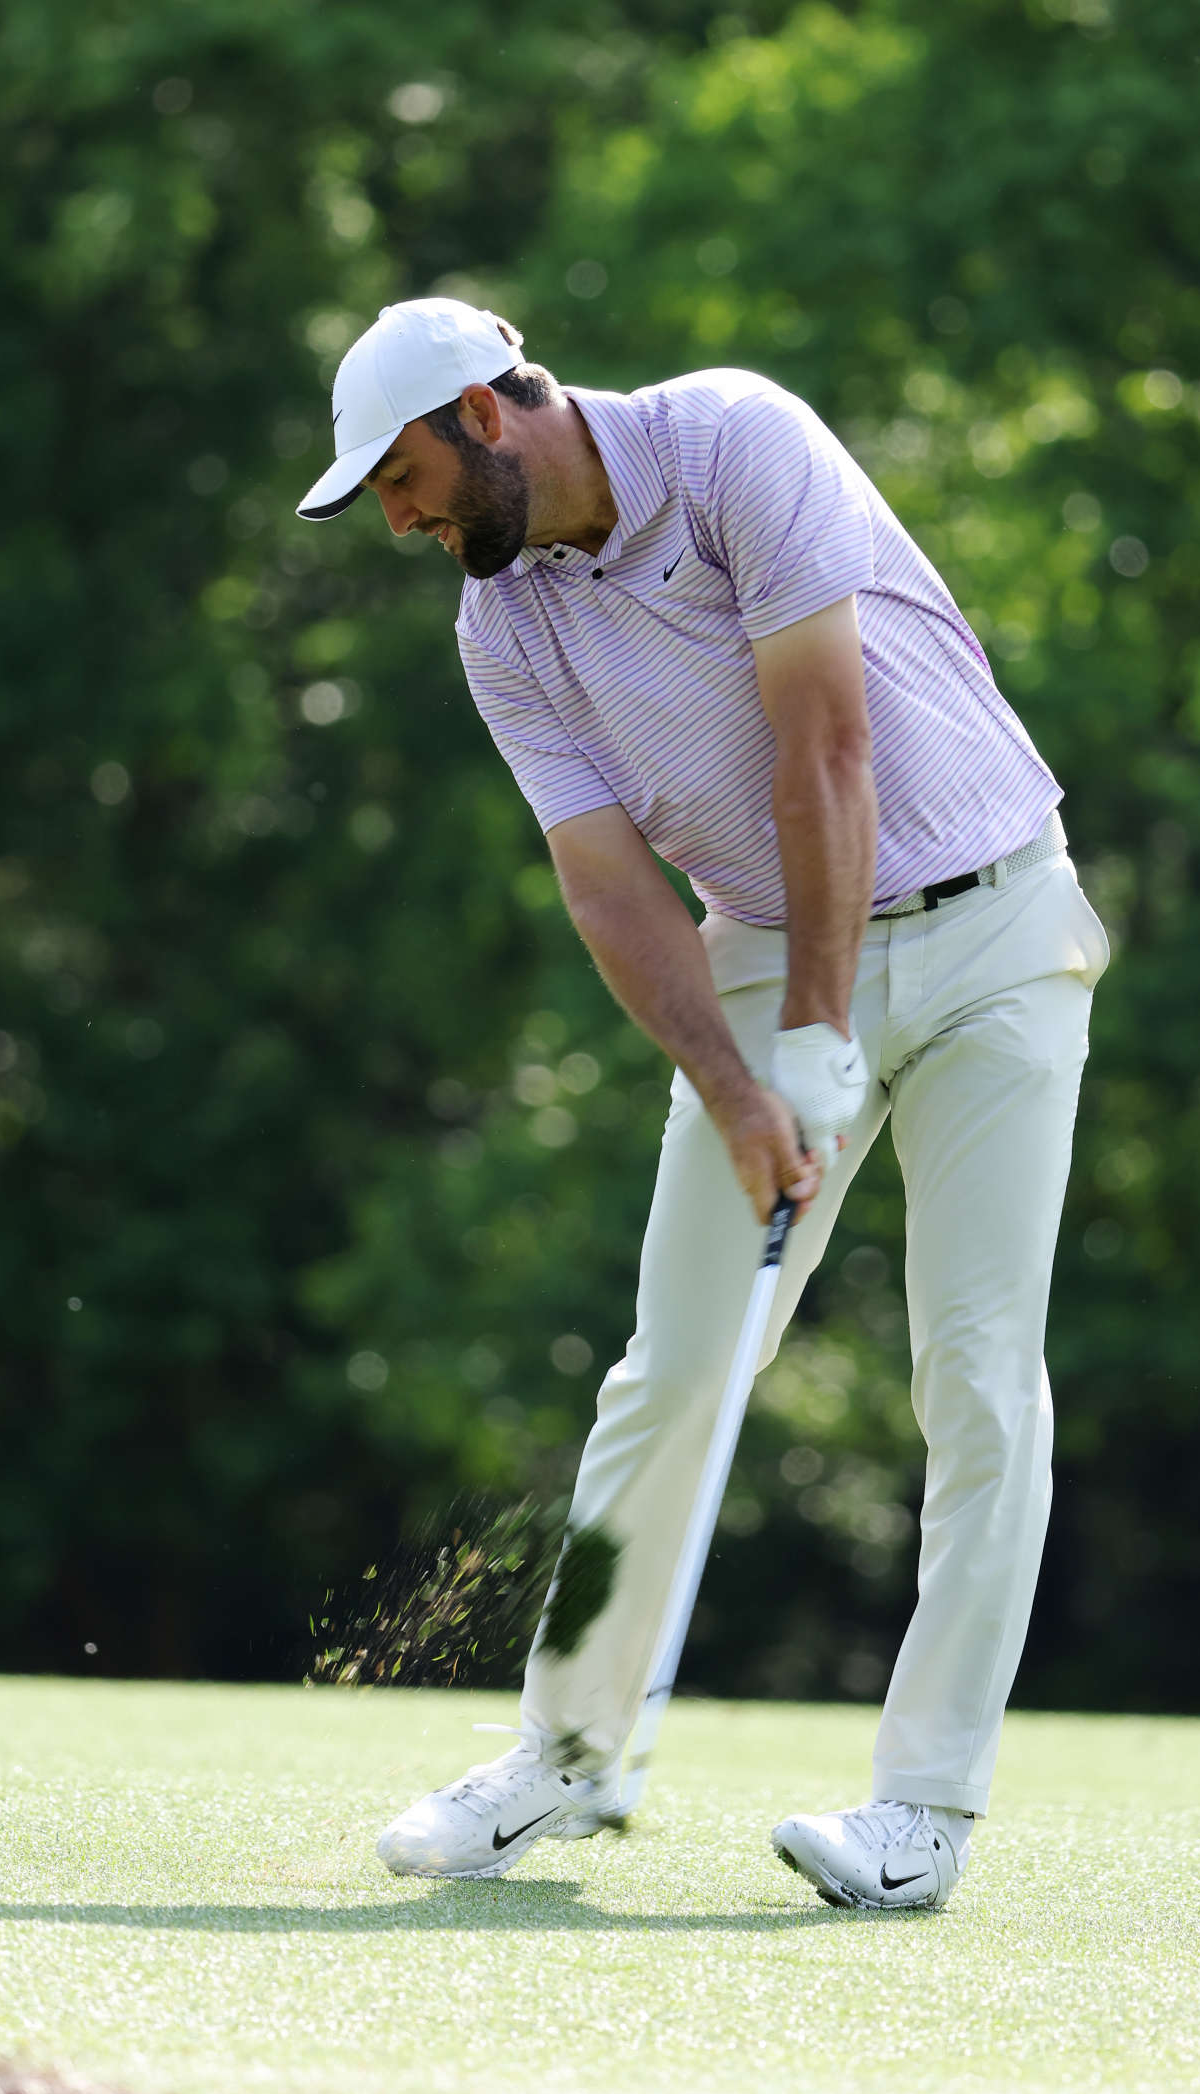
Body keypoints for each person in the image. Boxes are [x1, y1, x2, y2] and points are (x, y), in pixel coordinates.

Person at [296, 296, 1110, 1912]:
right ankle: (569, 1759)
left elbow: (829, 745)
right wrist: (742, 1085)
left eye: (398, 477)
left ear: (481, 412)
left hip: (996, 926)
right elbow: (609, 891)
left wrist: (820, 1031)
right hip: (760, 947)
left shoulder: (736, 437)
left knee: (973, 1371)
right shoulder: (502, 629)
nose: (397, 520)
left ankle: (924, 1814)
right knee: (673, 1368)